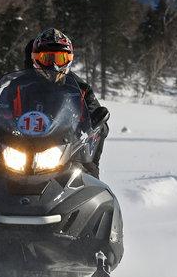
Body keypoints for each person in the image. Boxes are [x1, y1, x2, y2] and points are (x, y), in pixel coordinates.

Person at [11, 27, 108, 177]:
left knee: (90, 178)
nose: (54, 65)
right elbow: (1, 109)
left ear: (69, 59)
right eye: (47, 58)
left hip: (67, 153)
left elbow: (98, 120)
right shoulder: (19, 86)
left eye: (60, 58)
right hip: (19, 151)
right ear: (35, 58)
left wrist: (92, 126)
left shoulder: (81, 89)